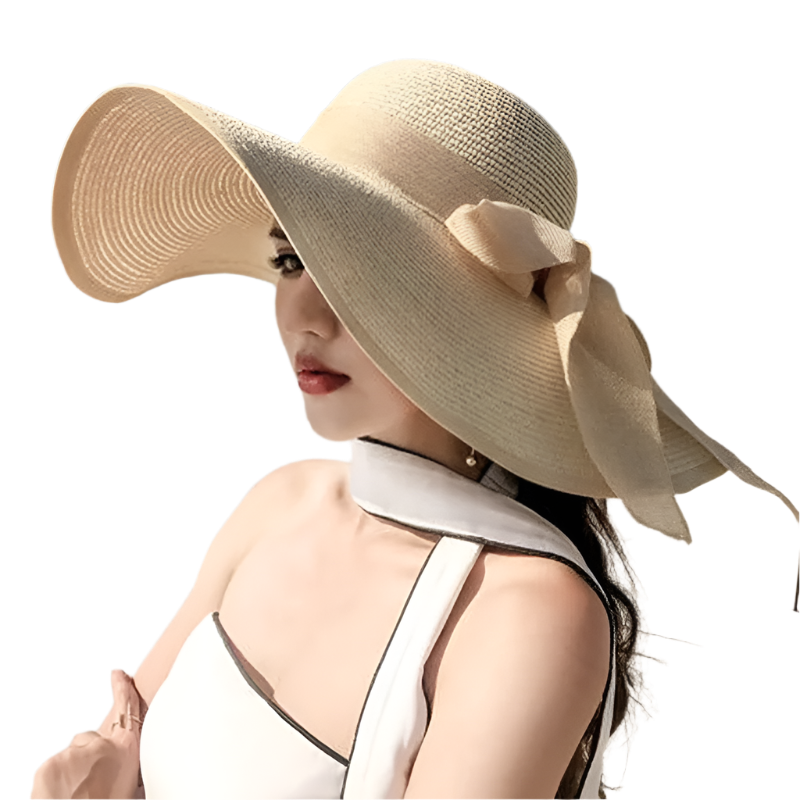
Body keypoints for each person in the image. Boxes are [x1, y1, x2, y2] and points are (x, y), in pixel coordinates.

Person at [40, 58, 799, 800]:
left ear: (471, 322)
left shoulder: (526, 607)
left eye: (358, 270)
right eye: (291, 258)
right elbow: (121, 751)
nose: (304, 315)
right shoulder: (279, 501)